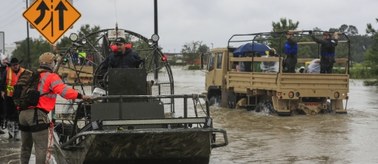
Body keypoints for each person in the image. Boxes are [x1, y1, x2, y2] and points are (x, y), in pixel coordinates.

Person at [18, 52, 91, 164]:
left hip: (23, 114)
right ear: (51, 63)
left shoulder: (32, 74)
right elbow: (64, 92)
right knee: (41, 148)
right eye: (55, 62)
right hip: (37, 116)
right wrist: (82, 96)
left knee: (25, 147)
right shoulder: (51, 77)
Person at [1, 57, 25, 139]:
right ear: (11, 65)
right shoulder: (7, 71)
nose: (15, 66)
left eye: (16, 65)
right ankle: (11, 132)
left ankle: (17, 132)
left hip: (20, 97)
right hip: (9, 96)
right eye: (14, 65)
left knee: (18, 115)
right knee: (9, 115)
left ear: (19, 65)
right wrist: (2, 91)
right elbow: (2, 82)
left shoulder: (24, 72)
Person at [0, 53, 8, 135]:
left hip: (4, 93)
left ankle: (2, 125)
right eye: (4, 60)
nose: (6, 61)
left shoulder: (8, 69)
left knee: (3, 110)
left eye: (6, 59)